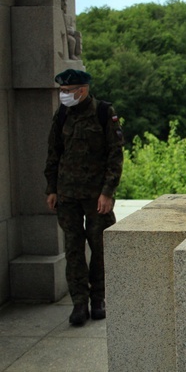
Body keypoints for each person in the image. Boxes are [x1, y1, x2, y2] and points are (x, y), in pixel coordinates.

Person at [44, 69, 124, 326]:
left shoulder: (103, 113)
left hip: (95, 196)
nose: (64, 95)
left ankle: (99, 298)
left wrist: (107, 193)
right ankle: (79, 303)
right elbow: (54, 152)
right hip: (67, 195)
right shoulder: (63, 114)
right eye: (62, 91)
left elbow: (115, 156)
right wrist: (52, 188)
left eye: (68, 91)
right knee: (73, 249)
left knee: (100, 246)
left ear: (83, 90)